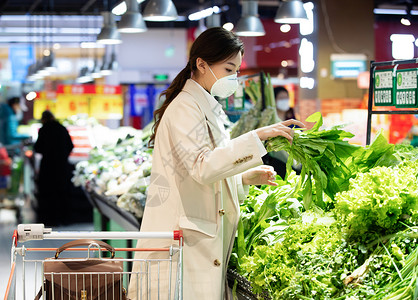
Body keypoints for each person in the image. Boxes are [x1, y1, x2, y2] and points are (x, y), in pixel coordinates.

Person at [127, 27, 304, 299]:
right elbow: (202, 167)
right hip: (182, 241)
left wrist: (242, 177)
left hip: (193, 237)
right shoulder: (185, 108)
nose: (233, 78)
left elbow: (202, 166)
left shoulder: (201, 105)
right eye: (228, 69)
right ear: (201, 64)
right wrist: (257, 136)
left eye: (236, 71)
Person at [34, 110, 74, 226]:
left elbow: (38, 148)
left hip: (48, 167)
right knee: (63, 193)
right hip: (62, 166)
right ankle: (65, 219)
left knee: (49, 194)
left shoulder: (43, 130)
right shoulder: (62, 128)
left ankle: (50, 220)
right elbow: (71, 146)